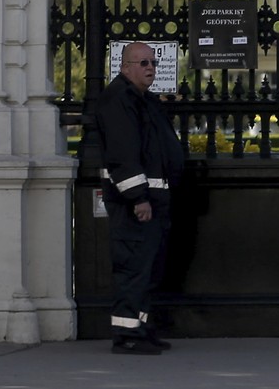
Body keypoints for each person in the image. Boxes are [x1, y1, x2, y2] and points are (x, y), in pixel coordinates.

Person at [92, 41, 184, 355]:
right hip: (135, 205)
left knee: (146, 269)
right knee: (133, 269)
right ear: (125, 66)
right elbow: (122, 154)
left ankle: (141, 329)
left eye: (153, 63)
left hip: (153, 202)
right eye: (142, 62)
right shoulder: (119, 99)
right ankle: (127, 335)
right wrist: (138, 197)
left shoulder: (141, 99)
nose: (150, 68)